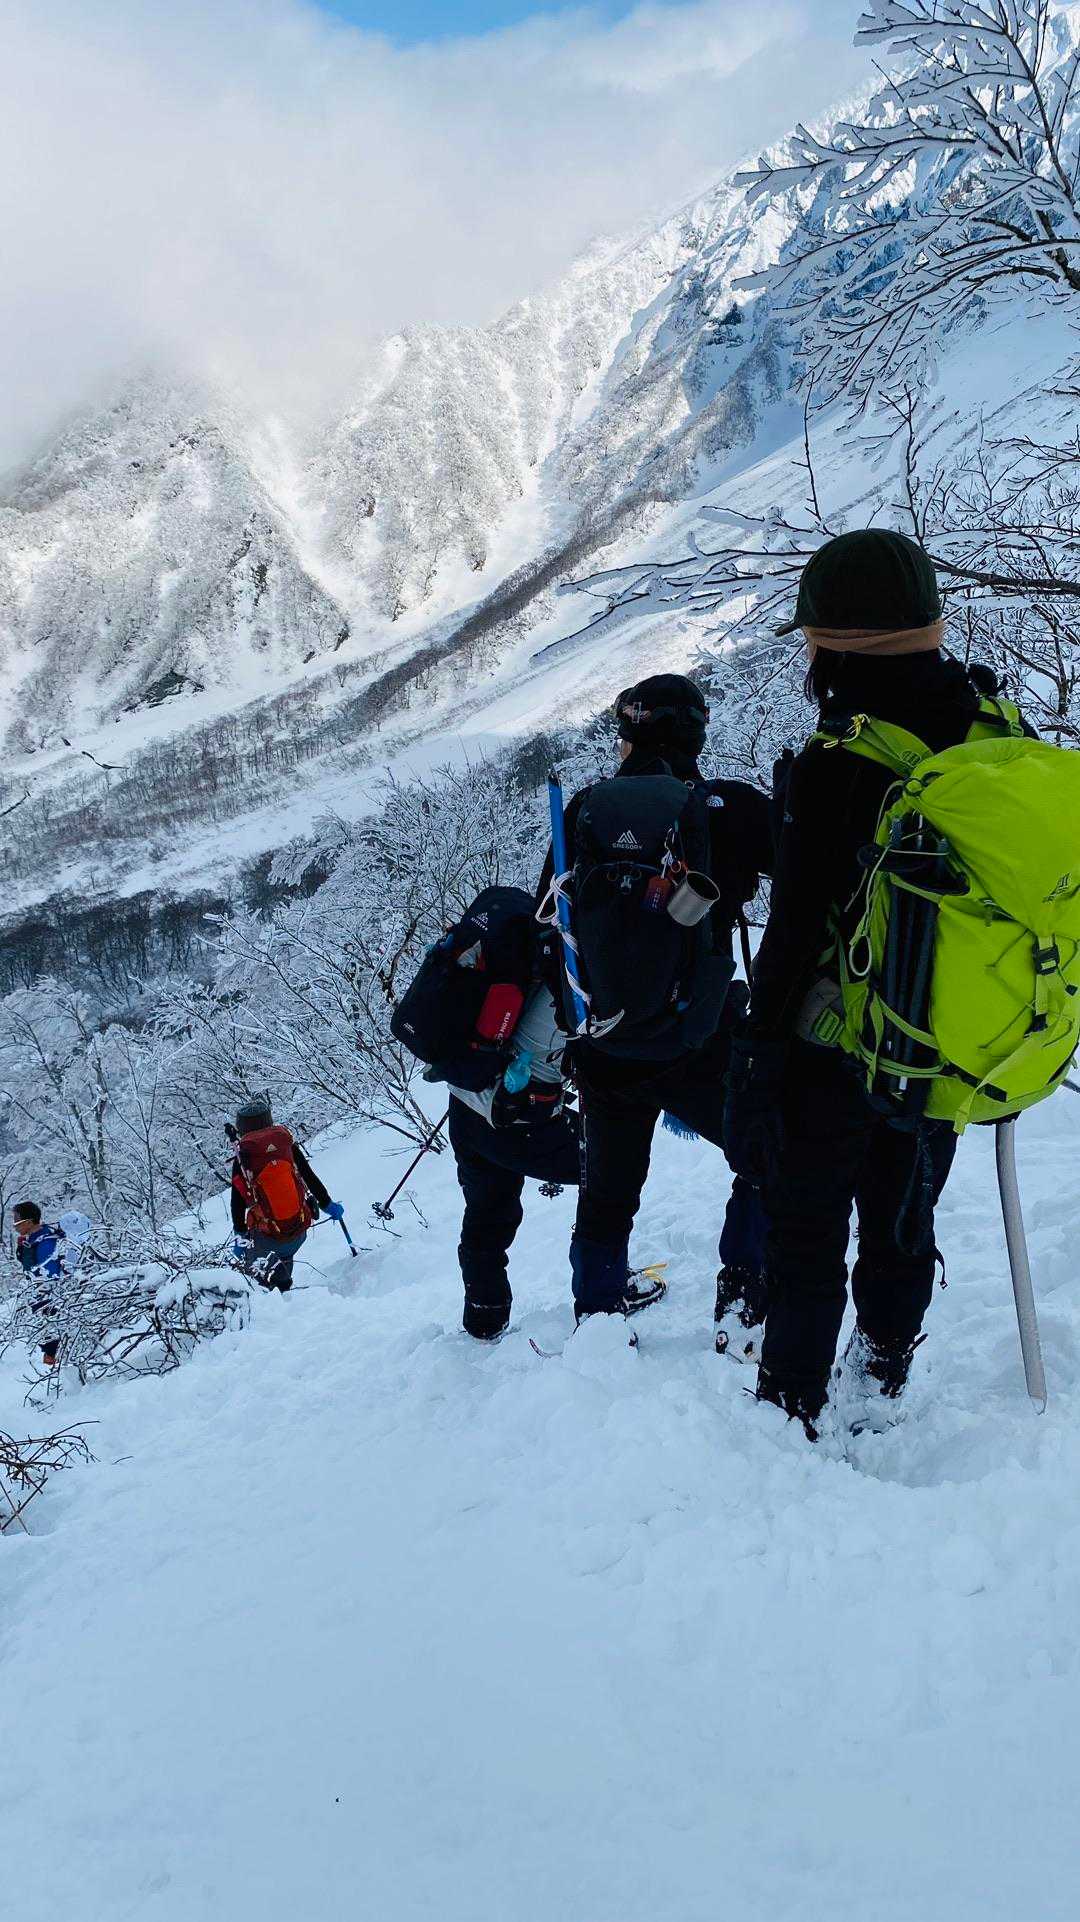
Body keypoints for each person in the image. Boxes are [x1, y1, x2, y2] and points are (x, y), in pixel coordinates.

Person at [725, 527, 1032, 1434]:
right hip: (949, 1038)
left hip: (835, 1047)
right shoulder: (995, 727)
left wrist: (757, 1054)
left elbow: (792, 936)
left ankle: (791, 1403)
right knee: (903, 1213)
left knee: (809, 1227)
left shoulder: (838, 759)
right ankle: (885, 1365)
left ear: (834, 642)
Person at [539, 673, 773, 1326]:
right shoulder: (728, 806)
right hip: (697, 1037)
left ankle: (597, 1307)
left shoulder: (584, 810)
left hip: (605, 1041)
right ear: (695, 734)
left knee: (608, 1189)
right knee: (764, 1152)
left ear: (628, 737)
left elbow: (551, 923)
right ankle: (745, 1294)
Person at [449, 980, 581, 1341]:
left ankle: (485, 1314)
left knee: (487, 1209)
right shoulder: (573, 972)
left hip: (466, 1100)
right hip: (519, 1115)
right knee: (607, 1166)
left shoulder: (518, 960)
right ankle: (602, 1283)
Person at [230, 1097, 343, 1292]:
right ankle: (284, 1289)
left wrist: (240, 1237)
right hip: (299, 1229)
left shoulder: (243, 1159)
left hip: (267, 1239)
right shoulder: (286, 1147)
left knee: (253, 1281)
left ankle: (273, 1294)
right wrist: (328, 1205)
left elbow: (237, 1203)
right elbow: (309, 1176)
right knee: (283, 1254)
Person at [13, 1201, 69, 1366]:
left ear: (29, 1222)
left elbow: (50, 1275)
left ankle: (60, 1367)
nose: (14, 1225)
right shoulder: (34, 1240)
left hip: (49, 1300)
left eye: (17, 1219)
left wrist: (41, 1295)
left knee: (54, 1345)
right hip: (40, 1298)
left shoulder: (46, 1242)